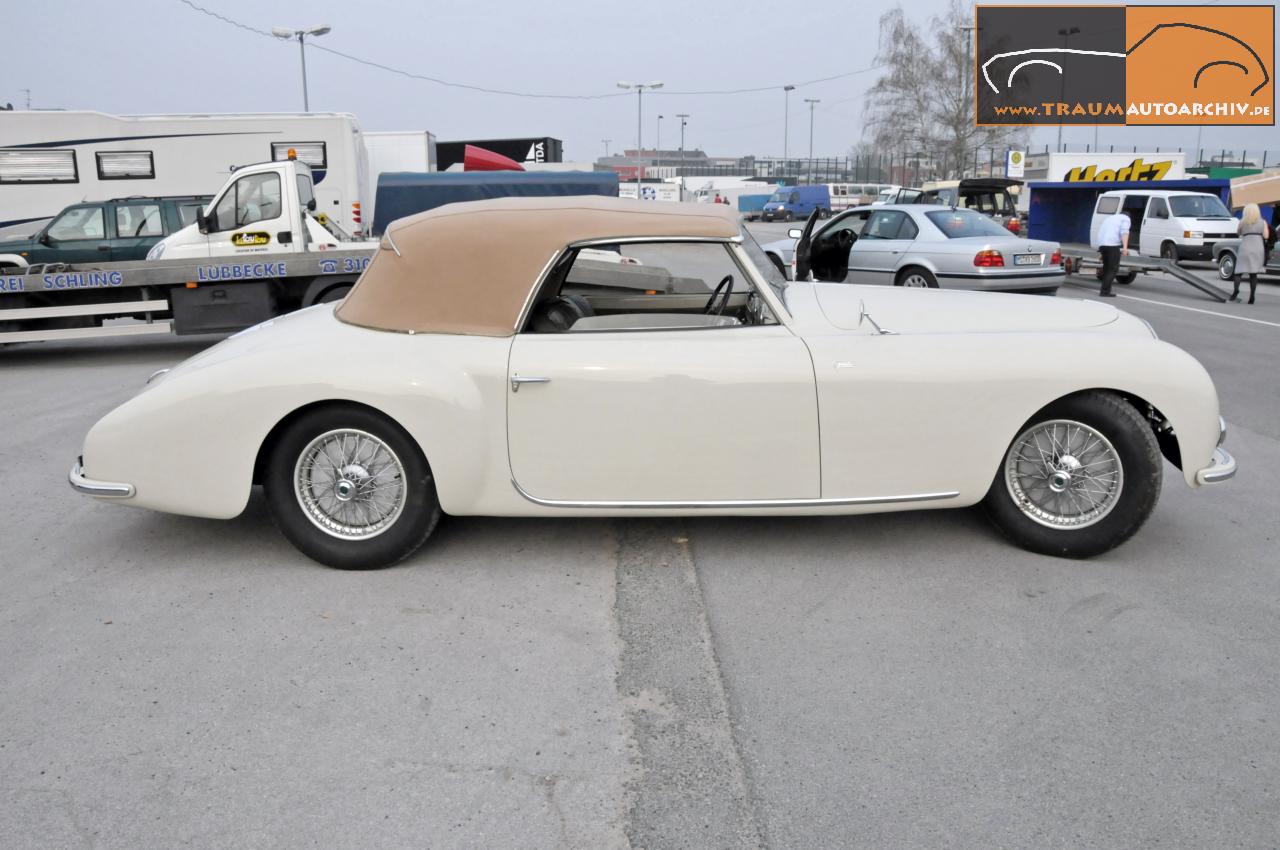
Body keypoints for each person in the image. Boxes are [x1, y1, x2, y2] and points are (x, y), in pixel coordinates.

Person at [1232, 203, 1270, 305]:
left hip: (1245, 246)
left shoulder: (1242, 221)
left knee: (1238, 271)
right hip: (1258, 247)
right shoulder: (1263, 222)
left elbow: (1238, 233)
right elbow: (1266, 236)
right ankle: (1252, 296)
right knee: (1253, 274)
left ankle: (1236, 290)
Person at [1096, 208, 1130, 297]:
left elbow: (1102, 232)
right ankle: (1105, 292)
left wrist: (1102, 251)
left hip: (1102, 245)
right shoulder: (1126, 218)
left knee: (1107, 269)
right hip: (1112, 245)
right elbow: (1125, 232)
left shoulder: (1110, 218)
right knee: (1112, 269)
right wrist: (1125, 248)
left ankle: (1104, 290)